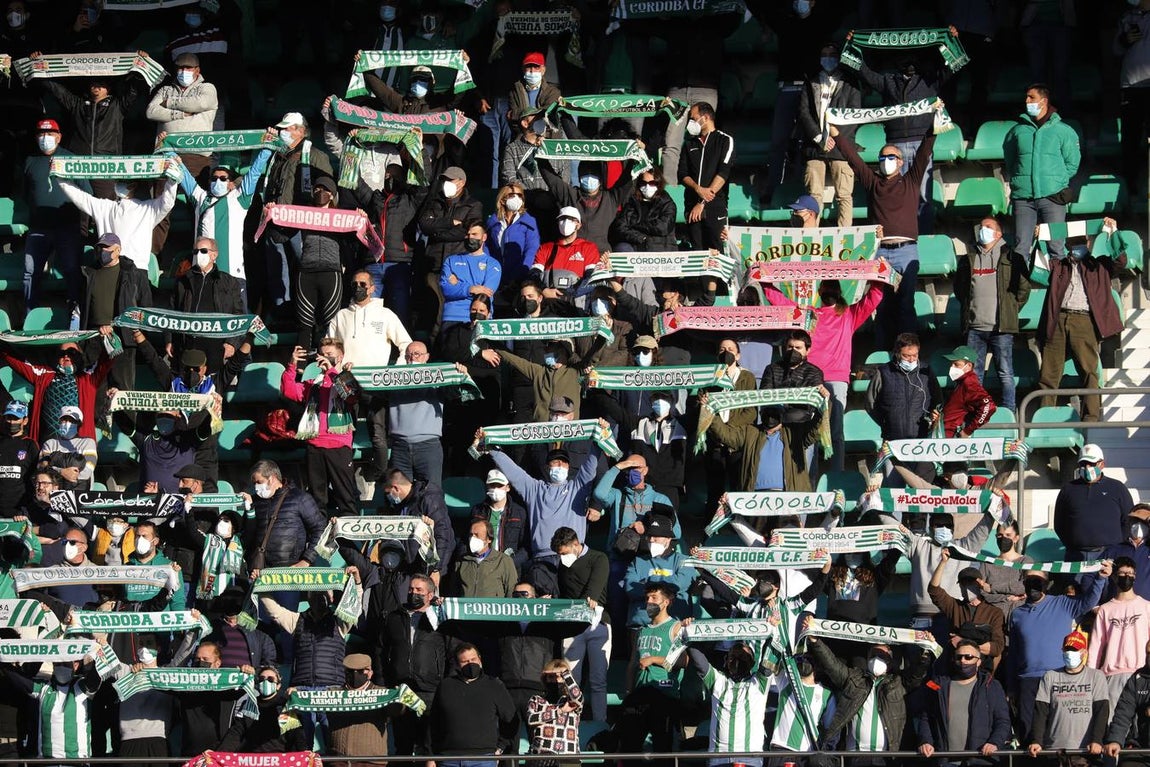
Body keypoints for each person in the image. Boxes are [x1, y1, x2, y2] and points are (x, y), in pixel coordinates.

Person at [830, 105, 940, 344]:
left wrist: (935, 122)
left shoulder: (910, 180)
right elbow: (853, 159)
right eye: (883, 157)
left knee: (905, 303)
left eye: (891, 157)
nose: (886, 161)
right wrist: (837, 135)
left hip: (906, 250)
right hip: (879, 252)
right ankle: (883, 352)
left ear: (901, 162)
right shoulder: (873, 182)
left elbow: (923, 151)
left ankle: (909, 349)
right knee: (880, 303)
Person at [763, 270, 884, 473]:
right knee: (811, 431)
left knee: (835, 431)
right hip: (810, 380)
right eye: (826, 287)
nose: (828, 291)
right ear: (819, 291)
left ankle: (837, 476)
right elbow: (780, 303)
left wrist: (877, 272)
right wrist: (764, 281)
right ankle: (810, 480)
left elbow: (874, 297)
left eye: (830, 288)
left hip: (835, 380)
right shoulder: (809, 313)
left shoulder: (849, 314)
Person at [1036, 218, 1128, 422]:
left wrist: (1113, 231)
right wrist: (1038, 240)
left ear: (1088, 243)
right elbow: (1035, 268)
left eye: (1081, 241)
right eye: (1073, 241)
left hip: (1084, 320)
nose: (1077, 245)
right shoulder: (1058, 265)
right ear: (1067, 244)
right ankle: (1044, 417)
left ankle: (1091, 417)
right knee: (1048, 374)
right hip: (1057, 320)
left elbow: (1121, 260)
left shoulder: (1100, 265)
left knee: (1089, 371)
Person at [31, 49, 153, 199]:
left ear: (109, 87)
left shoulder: (117, 105)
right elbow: (57, 90)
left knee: (105, 207)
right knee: (79, 209)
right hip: (78, 164)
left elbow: (133, 90)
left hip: (106, 165)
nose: (96, 86)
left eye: (101, 83)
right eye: (93, 83)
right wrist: (39, 67)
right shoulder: (77, 104)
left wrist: (140, 66)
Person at [1008, 562, 1111, 739]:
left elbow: (1089, 601)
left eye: (1037, 580)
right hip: (1028, 681)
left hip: (1058, 678)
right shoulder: (1017, 614)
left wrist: (1100, 578)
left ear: (1046, 583)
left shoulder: (1063, 603)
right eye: (1028, 580)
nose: (1033, 584)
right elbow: (1013, 653)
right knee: (1028, 732)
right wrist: (1010, 687)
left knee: (1056, 729)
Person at [806, 622, 933, 758]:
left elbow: (917, 673)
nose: (877, 658)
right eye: (873, 655)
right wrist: (815, 641)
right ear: (867, 658)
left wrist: (926, 650)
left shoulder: (898, 682)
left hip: (886, 758)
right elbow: (831, 664)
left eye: (882, 655)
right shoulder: (853, 679)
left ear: (890, 661)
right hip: (855, 756)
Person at [176, 144, 274, 309]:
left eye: (222, 178)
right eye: (214, 178)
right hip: (202, 274)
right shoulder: (200, 197)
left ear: (230, 183)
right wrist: (169, 150)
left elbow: (255, 172)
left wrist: (266, 148)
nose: (218, 181)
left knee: (235, 318)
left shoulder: (239, 198)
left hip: (232, 273)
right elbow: (184, 175)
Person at [258, 110, 336, 312]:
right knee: (276, 270)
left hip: (304, 224)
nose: (282, 132)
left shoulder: (316, 156)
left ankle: (308, 309)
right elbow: (261, 181)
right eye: (281, 128)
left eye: (287, 128)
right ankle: (281, 309)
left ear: (300, 131)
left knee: (306, 268)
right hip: (275, 221)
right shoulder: (276, 156)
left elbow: (328, 190)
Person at [953, 216, 1032, 413]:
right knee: (974, 375)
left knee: (1005, 373)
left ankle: (1009, 412)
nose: (982, 230)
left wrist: (1010, 309)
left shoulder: (1013, 258)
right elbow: (959, 289)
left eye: (988, 227)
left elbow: (1023, 289)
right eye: (981, 227)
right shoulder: (968, 259)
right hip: (974, 329)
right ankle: (977, 412)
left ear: (999, 233)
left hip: (1001, 327)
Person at [145, 52, 218, 255]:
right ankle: (153, 257)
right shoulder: (166, 88)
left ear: (197, 70)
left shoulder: (207, 88)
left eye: (188, 68)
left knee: (199, 207)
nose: (183, 72)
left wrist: (170, 103)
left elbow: (200, 104)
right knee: (160, 205)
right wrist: (179, 112)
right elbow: (151, 111)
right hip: (166, 155)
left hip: (197, 157)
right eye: (180, 68)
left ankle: (201, 254)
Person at [60, 163, 179, 281]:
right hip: (113, 269)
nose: (119, 184)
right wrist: (59, 176)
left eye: (123, 182)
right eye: (118, 181)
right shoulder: (105, 206)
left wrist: (172, 181)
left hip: (135, 271)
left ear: (133, 185)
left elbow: (167, 203)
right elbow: (81, 198)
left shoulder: (147, 208)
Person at [1004, 84, 1082, 259]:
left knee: (1056, 247)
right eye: (1026, 97)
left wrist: (1055, 181)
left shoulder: (1063, 131)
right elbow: (1010, 160)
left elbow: (1072, 163)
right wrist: (1020, 179)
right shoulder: (1017, 131)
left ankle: (1059, 286)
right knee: (1020, 248)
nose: (1026, 101)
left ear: (1044, 101)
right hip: (1023, 198)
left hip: (1053, 197)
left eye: (1031, 97)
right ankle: (1019, 287)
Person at [282, 340, 358, 517]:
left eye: (330, 354)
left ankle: (352, 543)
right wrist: (292, 364)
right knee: (317, 500)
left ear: (340, 357)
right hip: (314, 445)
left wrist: (331, 372)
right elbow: (288, 390)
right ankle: (318, 540)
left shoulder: (346, 377)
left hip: (339, 446)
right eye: (322, 354)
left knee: (346, 497)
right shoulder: (313, 383)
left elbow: (351, 396)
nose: (325, 357)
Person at [613, 582, 684, 765]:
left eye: (654, 598)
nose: (649, 602)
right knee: (629, 748)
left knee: (662, 748)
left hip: (663, 692)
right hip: (639, 693)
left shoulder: (675, 627)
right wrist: (628, 692)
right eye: (647, 598)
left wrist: (654, 659)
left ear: (666, 602)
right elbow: (632, 664)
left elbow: (683, 661)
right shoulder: (641, 630)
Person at [22, 118, 86, 314]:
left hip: (67, 228)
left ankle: (74, 313)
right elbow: (26, 193)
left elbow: (86, 192)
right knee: (30, 272)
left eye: (49, 134)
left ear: (59, 137)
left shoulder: (71, 159)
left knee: (71, 270)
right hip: (38, 229)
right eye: (41, 134)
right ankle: (30, 313)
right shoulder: (30, 161)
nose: (45, 138)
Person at [239, 460, 328, 602]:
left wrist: (306, 560)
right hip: (260, 573)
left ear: (272, 478)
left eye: (259, 482)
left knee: (284, 619)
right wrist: (249, 511)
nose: (256, 487)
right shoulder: (255, 502)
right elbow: (248, 537)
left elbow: (321, 528)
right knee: (262, 621)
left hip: (288, 573)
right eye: (254, 483)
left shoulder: (300, 498)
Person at [381, 574, 449, 755]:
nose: (413, 593)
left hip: (430, 690)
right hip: (401, 689)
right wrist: (385, 683)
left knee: (428, 746)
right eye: (411, 589)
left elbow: (450, 652)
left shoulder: (441, 619)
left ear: (430, 595)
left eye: (419, 590)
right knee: (402, 744)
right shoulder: (394, 617)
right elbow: (381, 650)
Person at [914, 640, 1012, 763]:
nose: (963, 661)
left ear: (978, 661)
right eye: (959, 657)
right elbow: (926, 718)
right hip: (946, 761)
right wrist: (926, 741)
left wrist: (994, 743)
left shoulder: (991, 686)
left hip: (980, 760)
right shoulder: (939, 686)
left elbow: (1002, 721)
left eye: (968, 657)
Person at [797, 43, 861, 227]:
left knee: (844, 195)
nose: (828, 58)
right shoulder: (811, 81)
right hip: (814, 147)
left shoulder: (851, 83)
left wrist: (836, 139)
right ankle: (812, 238)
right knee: (814, 196)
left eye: (832, 54)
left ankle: (845, 236)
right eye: (824, 54)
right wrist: (819, 137)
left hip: (842, 147)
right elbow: (804, 112)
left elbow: (854, 114)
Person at [552, 526, 611, 722]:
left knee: (598, 680)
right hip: (571, 626)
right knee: (570, 680)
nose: (562, 557)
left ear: (575, 544)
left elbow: (595, 587)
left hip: (597, 624)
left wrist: (591, 597)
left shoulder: (598, 558)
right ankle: (569, 723)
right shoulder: (562, 565)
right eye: (559, 554)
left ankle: (600, 723)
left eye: (564, 553)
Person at [866, 333, 944, 477]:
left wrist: (933, 416)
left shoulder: (927, 372)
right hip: (892, 442)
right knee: (893, 489)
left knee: (920, 491)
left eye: (915, 355)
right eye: (906, 356)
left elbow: (938, 401)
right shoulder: (883, 372)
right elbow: (871, 404)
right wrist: (886, 422)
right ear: (896, 353)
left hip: (921, 442)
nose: (912, 359)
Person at [426, 644, 518, 766]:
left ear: (480, 659)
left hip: (483, 758)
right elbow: (433, 723)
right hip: (448, 758)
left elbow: (512, 719)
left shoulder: (494, 685)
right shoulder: (445, 686)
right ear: (458, 664)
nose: (470, 664)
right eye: (465, 661)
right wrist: (430, 756)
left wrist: (500, 747)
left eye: (473, 659)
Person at [1029, 630, 1110, 766]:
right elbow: (1040, 712)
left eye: (1075, 650)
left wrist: (1097, 740)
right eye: (1067, 649)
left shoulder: (1096, 676)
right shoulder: (1050, 676)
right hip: (1055, 751)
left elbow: (1101, 711)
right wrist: (1036, 740)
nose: (1069, 653)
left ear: (1084, 652)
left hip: (1086, 751)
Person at [81, 233, 151, 391]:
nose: (102, 251)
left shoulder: (134, 274)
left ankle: (125, 417)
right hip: (94, 338)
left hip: (122, 338)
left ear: (118, 250)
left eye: (106, 247)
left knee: (123, 390)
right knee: (95, 390)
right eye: (99, 247)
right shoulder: (88, 273)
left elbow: (145, 307)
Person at [419, 166, 483, 335]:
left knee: (451, 311)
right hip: (434, 264)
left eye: (450, 180)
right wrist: (449, 223)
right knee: (431, 311)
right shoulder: (435, 202)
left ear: (462, 183)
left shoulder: (473, 205)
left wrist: (437, 231)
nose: (446, 184)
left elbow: (465, 232)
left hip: (458, 267)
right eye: (444, 180)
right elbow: (424, 225)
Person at [169, 237, 245, 374]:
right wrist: (169, 340)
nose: (199, 255)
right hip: (189, 345)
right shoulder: (183, 281)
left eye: (203, 251)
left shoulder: (228, 282)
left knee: (214, 389)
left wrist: (232, 343)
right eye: (196, 251)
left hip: (216, 347)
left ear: (214, 255)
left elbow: (238, 314)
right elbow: (172, 312)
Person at [1054, 444, 1134, 561]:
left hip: (1110, 556)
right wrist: (1073, 545)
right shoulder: (1068, 489)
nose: (1087, 467)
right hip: (1076, 555)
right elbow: (1059, 524)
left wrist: (1117, 547)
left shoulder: (1117, 488)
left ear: (1102, 464)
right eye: (1083, 464)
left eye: (1091, 463)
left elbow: (1128, 520)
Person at [539, 157, 635, 254]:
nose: (589, 178)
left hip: (601, 255)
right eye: (585, 174)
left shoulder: (610, 198)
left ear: (600, 179)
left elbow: (627, 178)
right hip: (573, 254)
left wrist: (635, 157)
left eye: (593, 175)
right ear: (579, 177)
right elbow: (551, 178)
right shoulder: (570, 195)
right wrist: (541, 155)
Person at [1089, 556, 1150, 707]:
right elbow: (1096, 645)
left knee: (1142, 727)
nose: (1127, 577)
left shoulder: (1146, 606)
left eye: (1130, 574)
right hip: (1112, 676)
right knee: (1115, 726)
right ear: (1115, 577)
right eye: (1123, 573)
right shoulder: (1105, 609)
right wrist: (1091, 676)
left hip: (1142, 674)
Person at [929, 550, 1006, 669]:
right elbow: (934, 590)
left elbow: (996, 648)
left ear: (979, 584)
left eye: (970, 583)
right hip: (957, 667)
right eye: (963, 584)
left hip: (982, 670)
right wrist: (943, 562)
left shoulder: (994, 612)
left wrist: (963, 642)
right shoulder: (955, 606)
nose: (966, 587)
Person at [327, 653, 404, 767]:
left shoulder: (382, 694)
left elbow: (397, 711)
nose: (354, 675)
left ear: (370, 673)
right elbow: (311, 700)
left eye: (360, 671)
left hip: (371, 762)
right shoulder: (333, 693)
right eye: (350, 671)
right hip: (338, 761)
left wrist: (398, 698)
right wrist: (296, 695)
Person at [679, 102, 735, 251]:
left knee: (717, 251)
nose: (691, 122)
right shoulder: (689, 143)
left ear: (706, 117)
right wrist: (697, 189)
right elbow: (682, 174)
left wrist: (702, 201)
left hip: (715, 207)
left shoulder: (725, 140)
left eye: (693, 118)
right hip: (691, 207)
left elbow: (723, 174)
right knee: (698, 252)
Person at [217, 666, 308, 753]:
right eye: (262, 679)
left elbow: (296, 734)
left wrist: (305, 753)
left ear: (278, 685)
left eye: (270, 679)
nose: (265, 682)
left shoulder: (285, 705)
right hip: (252, 759)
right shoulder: (250, 704)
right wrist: (219, 754)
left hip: (279, 758)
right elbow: (236, 732)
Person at [440, 221, 502, 334]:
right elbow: (446, 289)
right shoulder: (451, 260)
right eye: (468, 234)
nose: (470, 238)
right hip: (452, 317)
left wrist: (458, 284)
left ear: (484, 237)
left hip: (480, 318)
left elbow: (485, 293)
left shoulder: (493, 264)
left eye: (474, 234)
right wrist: (470, 288)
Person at [531, 207, 601, 298]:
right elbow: (533, 275)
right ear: (557, 223)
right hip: (548, 299)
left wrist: (569, 294)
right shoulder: (545, 248)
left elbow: (592, 278)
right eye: (562, 219)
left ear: (579, 225)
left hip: (575, 300)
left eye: (572, 219)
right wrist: (544, 290)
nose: (566, 222)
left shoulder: (589, 248)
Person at [525, 659, 584, 767]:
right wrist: (559, 711)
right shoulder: (536, 700)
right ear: (545, 679)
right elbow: (531, 719)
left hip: (568, 759)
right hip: (541, 759)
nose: (556, 680)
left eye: (560, 676)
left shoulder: (571, 701)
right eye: (551, 677)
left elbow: (577, 696)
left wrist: (565, 673)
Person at [1117, 2, 1150, 191]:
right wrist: (1124, 39)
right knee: (1130, 138)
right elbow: (1115, 48)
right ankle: (1130, 188)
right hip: (1130, 85)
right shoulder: (1126, 17)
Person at [611, 166, 678, 253]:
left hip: (660, 247)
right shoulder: (632, 203)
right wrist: (640, 237)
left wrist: (636, 226)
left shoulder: (667, 204)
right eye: (644, 183)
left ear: (659, 183)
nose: (647, 186)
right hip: (636, 245)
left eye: (652, 183)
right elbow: (620, 227)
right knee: (622, 248)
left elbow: (663, 227)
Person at [446, 519, 518, 598]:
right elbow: (453, 591)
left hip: (492, 609)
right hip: (467, 609)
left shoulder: (503, 561)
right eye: (471, 535)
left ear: (489, 539)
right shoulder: (462, 561)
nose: (472, 538)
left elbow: (511, 591)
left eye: (477, 535)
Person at [1104, 644, 1150, 767]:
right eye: (1148, 653)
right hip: (1142, 747)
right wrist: (1115, 740)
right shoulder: (1137, 679)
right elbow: (1123, 713)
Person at [978, 521, 1033, 622]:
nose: (1003, 538)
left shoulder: (1025, 561)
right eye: (1000, 535)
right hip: (993, 618)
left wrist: (992, 588)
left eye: (1008, 535)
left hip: (1019, 617)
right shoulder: (988, 563)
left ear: (1016, 538)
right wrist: (1008, 598)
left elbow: (1025, 586)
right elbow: (982, 591)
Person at [486, 183, 541, 284]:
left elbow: (531, 249)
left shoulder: (528, 222)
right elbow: (487, 247)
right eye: (512, 195)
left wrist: (522, 272)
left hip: (518, 278)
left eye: (520, 195)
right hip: (495, 275)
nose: (516, 198)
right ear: (502, 200)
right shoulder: (493, 222)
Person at [941, 344, 998, 437]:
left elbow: (989, 406)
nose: (952, 367)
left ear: (968, 366)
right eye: (951, 364)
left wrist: (967, 431)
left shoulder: (970, 383)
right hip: (945, 432)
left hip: (952, 436)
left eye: (956, 364)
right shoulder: (961, 381)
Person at [1102, 512, 1150, 600]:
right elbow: (1091, 576)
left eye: (1143, 522)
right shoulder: (1114, 550)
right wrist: (1095, 606)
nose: (1139, 525)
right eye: (1135, 521)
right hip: (1116, 608)